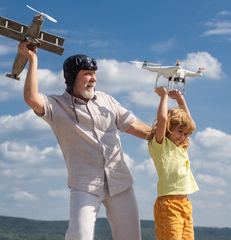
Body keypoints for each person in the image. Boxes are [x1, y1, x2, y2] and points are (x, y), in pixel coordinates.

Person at [17, 41, 151, 240]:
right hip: (85, 184)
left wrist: (165, 136)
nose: (93, 79)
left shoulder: (107, 100)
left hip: (120, 181)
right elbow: (31, 97)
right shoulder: (56, 105)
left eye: (94, 74)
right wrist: (32, 60)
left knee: (131, 237)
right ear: (71, 77)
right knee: (79, 236)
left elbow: (133, 126)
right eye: (87, 74)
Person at [147, 86, 199, 240]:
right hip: (168, 204)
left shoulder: (181, 147)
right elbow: (163, 119)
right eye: (179, 131)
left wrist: (180, 100)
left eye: (185, 134)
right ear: (169, 128)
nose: (182, 136)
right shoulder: (160, 145)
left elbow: (188, 125)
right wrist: (163, 96)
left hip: (185, 203)